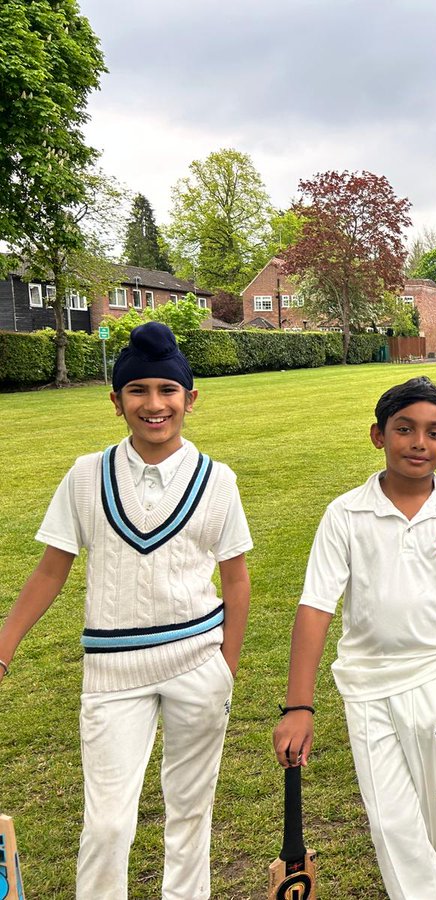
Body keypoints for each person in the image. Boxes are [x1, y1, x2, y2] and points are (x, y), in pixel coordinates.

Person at [0, 322, 252, 899]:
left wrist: (225, 667)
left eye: (168, 390)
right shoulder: (87, 475)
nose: (154, 404)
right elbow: (49, 569)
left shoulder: (218, 481)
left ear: (191, 399)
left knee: (190, 813)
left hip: (197, 665)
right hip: (112, 673)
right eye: (138, 391)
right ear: (116, 402)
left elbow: (236, 581)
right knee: (109, 822)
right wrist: (4, 647)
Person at [272, 377, 436, 899]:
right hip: (367, 686)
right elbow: (316, 607)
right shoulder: (346, 513)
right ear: (377, 435)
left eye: (434, 433)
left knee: (433, 821)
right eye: (404, 429)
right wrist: (298, 706)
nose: (419, 443)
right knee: (391, 822)